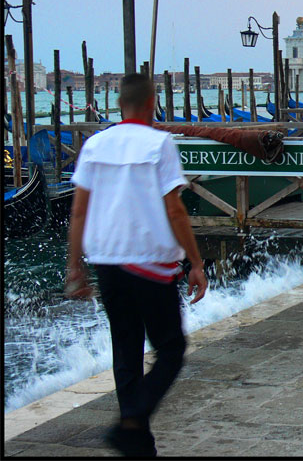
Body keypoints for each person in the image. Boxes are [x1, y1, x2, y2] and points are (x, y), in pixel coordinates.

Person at [65, 73, 207, 457]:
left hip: (107, 262)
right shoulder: (159, 142)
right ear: (150, 105)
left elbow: (79, 211)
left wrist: (74, 267)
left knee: (125, 348)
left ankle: (138, 444)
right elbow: (175, 209)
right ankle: (132, 419)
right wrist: (195, 262)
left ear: (119, 104)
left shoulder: (95, 144)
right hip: (149, 261)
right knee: (171, 349)